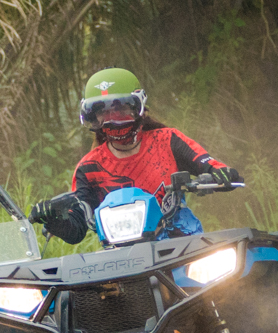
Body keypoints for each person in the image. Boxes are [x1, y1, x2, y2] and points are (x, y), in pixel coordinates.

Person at [32, 68, 240, 243]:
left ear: (137, 108)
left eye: (119, 109)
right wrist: (53, 220)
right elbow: (77, 228)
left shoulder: (167, 140)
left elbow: (210, 165)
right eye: (102, 112)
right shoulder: (89, 168)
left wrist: (222, 174)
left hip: (181, 243)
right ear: (92, 117)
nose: (112, 119)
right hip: (120, 256)